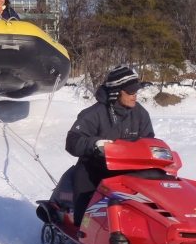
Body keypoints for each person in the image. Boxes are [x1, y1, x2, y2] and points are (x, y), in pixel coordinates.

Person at [65, 66, 154, 226]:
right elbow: (73, 141)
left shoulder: (140, 113)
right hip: (97, 167)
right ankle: (83, 226)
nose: (135, 94)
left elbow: (149, 141)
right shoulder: (95, 113)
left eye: (136, 90)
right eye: (130, 91)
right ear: (116, 91)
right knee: (84, 174)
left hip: (130, 169)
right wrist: (95, 144)